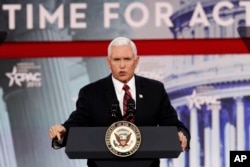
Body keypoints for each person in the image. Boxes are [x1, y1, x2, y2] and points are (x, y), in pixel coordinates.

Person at [49, 36, 190, 167]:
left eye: (127, 59)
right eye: (116, 60)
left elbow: (173, 124)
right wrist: (64, 131)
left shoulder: (154, 90)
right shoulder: (91, 92)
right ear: (108, 62)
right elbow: (77, 122)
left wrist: (181, 134)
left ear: (136, 61)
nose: (122, 65)